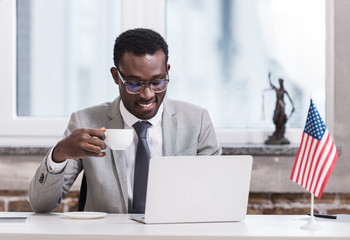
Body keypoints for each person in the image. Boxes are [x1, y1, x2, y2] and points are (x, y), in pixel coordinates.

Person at [29, 28, 221, 213]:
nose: (147, 95)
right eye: (135, 84)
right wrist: (59, 153)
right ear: (115, 76)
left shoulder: (197, 121)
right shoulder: (85, 121)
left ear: (167, 71)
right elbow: (40, 204)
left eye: (157, 82)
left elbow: (216, 197)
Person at [265, 72, 295, 145]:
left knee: (281, 121)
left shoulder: (284, 91)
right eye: (279, 82)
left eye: (281, 82)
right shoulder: (277, 90)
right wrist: (269, 78)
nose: (280, 83)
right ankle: (276, 134)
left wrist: (293, 106)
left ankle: (280, 134)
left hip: (282, 108)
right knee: (275, 119)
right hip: (277, 107)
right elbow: (271, 85)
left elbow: (290, 99)